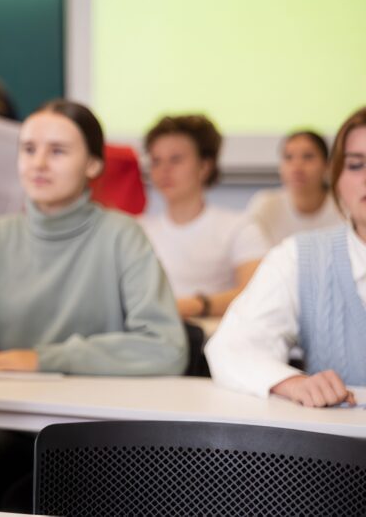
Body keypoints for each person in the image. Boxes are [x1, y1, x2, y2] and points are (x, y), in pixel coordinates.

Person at [0, 100, 187, 512]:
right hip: (25, 424)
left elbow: (167, 347)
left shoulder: (122, 236)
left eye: (57, 151)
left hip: (105, 428)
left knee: (29, 499)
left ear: (93, 164)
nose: (39, 163)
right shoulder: (0, 237)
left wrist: (43, 358)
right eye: (29, 148)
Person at [207, 107, 366, 407]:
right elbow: (231, 346)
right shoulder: (298, 257)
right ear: (336, 177)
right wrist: (292, 383)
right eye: (356, 165)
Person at [140, 115, 269, 318]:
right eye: (156, 161)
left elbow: (257, 292)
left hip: (211, 340)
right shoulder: (137, 230)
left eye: (176, 159)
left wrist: (194, 306)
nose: (164, 170)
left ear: (204, 166)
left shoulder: (239, 227)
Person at [246, 131, 344, 247]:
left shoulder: (343, 206)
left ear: (327, 165)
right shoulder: (265, 204)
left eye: (308, 157)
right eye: (288, 157)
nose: (297, 166)